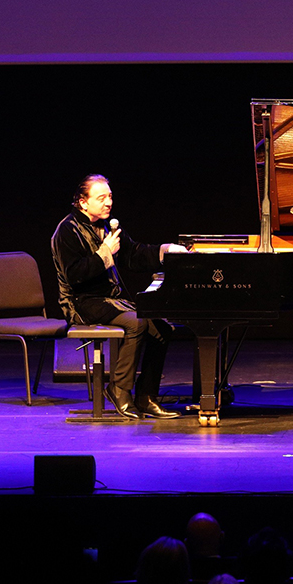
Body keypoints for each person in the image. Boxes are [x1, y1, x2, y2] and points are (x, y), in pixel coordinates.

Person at [51, 174, 187, 420]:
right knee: (136, 322)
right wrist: (104, 254)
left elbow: (134, 254)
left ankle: (146, 397)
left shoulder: (106, 228)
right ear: (83, 202)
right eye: (101, 197)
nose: (108, 203)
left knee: (161, 327)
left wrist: (165, 252)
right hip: (81, 303)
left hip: (109, 300)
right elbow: (74, 276)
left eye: (110, 196)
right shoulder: (67, 231)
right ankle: (119, 389)